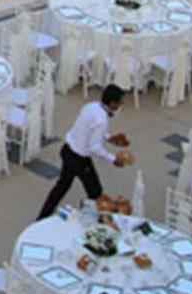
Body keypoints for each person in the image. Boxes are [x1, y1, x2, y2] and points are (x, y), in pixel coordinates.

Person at [37, 84, 134, 220]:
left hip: (67, 150)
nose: (121, 105)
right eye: (120, 102)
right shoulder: (102, 120)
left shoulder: (91, 106)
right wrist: (113, 159)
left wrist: (109, 138)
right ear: (112, 103)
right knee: (95, 192)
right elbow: (94, 147)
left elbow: (89, 129)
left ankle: (42, 217)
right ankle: (100, 222)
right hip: (79, 159)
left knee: (61, 187)